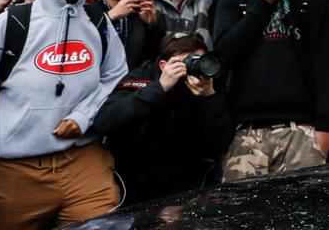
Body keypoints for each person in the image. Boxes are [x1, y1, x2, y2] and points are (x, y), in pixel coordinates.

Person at [0, 0, 128, 230]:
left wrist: (84, 115)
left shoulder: (97, 22)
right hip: (13, 170)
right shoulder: (13, 22)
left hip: (83, 161)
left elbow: (115, 75)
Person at [213, 0, 329, 181]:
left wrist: (326, 128)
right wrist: (262, 4)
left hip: (301, 129)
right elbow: (224, 54)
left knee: (298, 216)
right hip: (245, 131)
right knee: (241, 217)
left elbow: (326, 62)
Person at [94, 31, 233, 204]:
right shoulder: (143, 77)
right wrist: (159, 88)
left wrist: (210, 97)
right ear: (162, 65)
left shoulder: (208, 79)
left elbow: (223, 140)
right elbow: (105, 121)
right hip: (138, 176)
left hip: (190, 178)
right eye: (184, 62)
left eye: (198, 60)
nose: (192, 67)